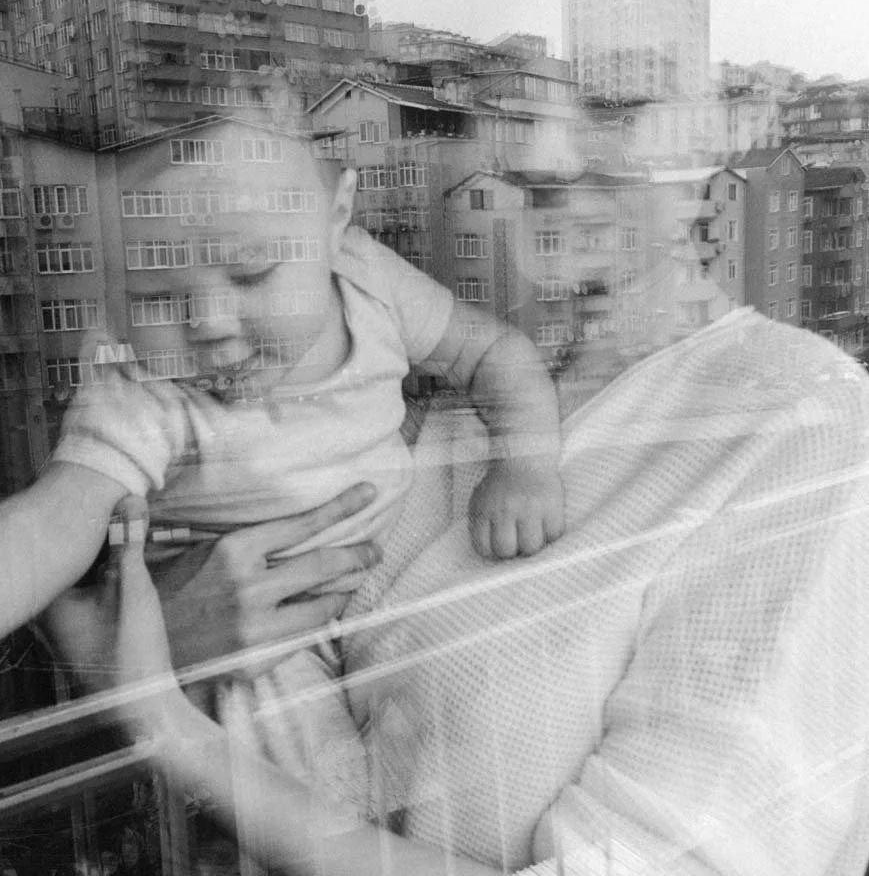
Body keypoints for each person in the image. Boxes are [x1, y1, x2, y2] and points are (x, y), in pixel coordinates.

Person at [41, 305, 869, 876]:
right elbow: (303, 730)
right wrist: (159, 644)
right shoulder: (402, 404)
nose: (542, 151)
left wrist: (160, 719)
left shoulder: (798, 420)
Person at [2, 117, 563, 801]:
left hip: (396, 569)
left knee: (489, 731)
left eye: (252, 272)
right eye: (154, 295)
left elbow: (491, 353)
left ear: (336, 218)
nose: (208, 323)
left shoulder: (366, 279)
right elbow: (54, 519)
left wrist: (525, 464)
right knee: (334, 801)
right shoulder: (142, 390)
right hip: (263, 642)